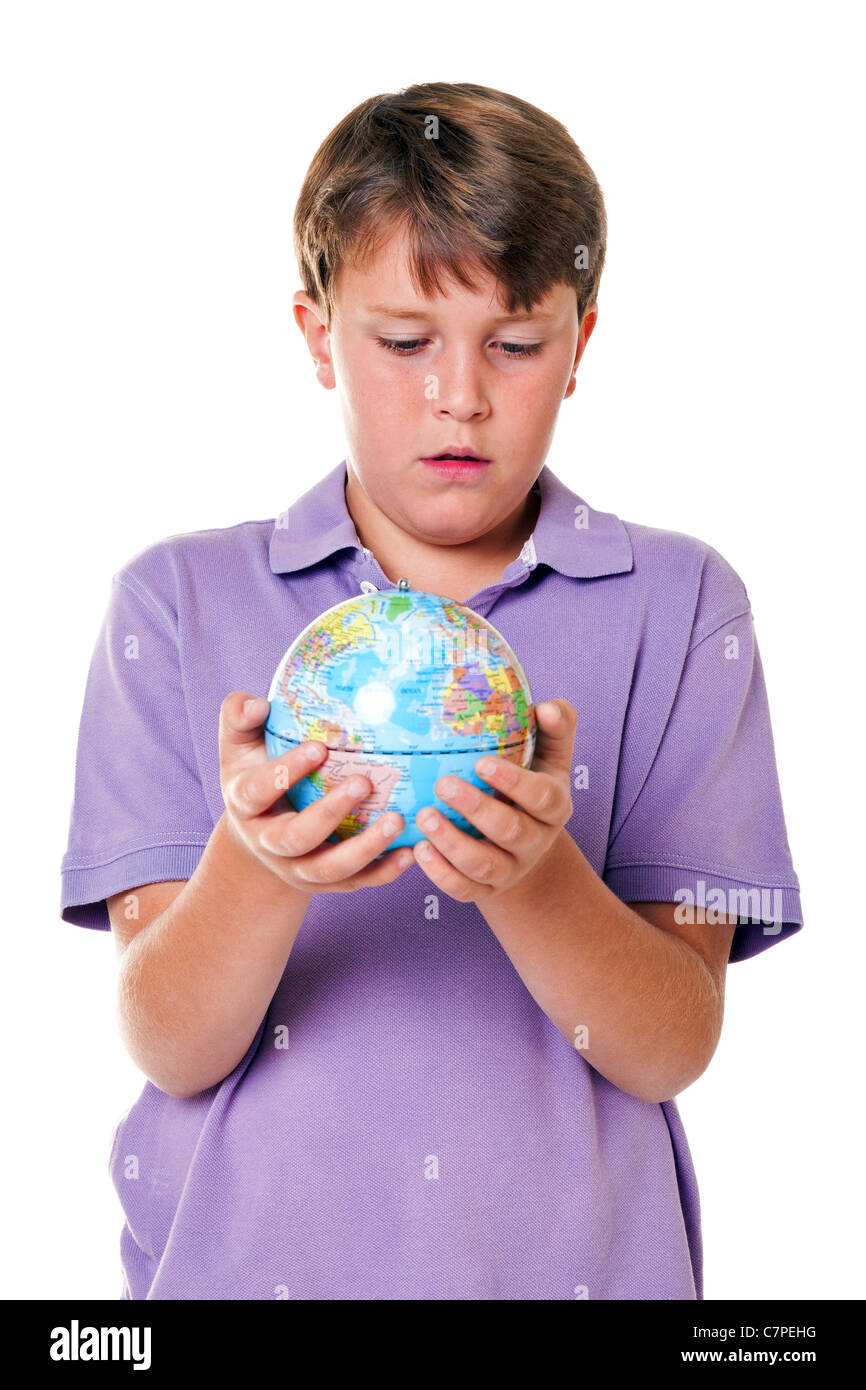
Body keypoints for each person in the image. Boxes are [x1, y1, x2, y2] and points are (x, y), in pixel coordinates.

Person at [59, 82, 803, 1301]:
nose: (458, 394)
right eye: (403, 341)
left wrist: (535, 878)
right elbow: (170, 1042)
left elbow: (671, 1044)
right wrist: (256, 863)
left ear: (580, 345)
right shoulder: (174, 605)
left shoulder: (682, 607)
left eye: (514, 343)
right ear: (315, 336)